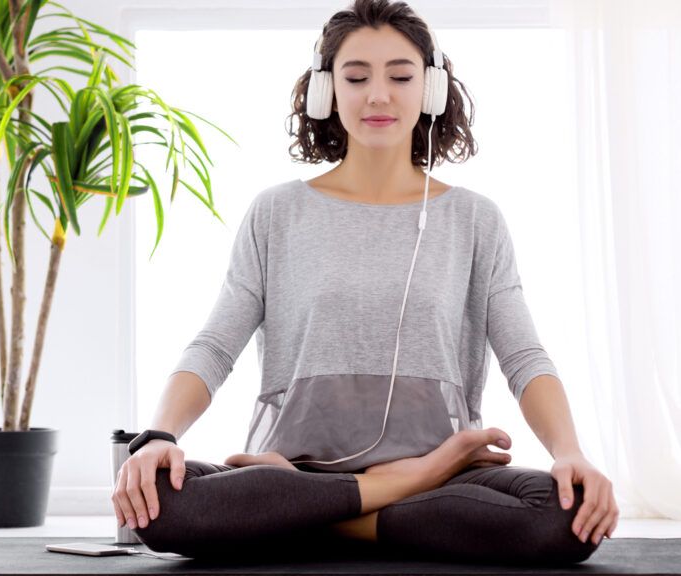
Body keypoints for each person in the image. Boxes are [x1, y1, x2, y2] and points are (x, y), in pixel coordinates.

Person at [111, 0, 618, 565]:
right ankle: (383, 496)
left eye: (400, 76)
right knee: (155, 501)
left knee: (569, 515)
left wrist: (570, 452)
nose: (378, 94)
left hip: (434, 482)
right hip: (299, 474)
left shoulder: (475, 219)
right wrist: (158, 435)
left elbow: (524, 354)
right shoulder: (277, 213)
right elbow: (215, 345)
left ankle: (312, 522)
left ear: (431, 90)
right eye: (357, 77)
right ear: (327, 92)